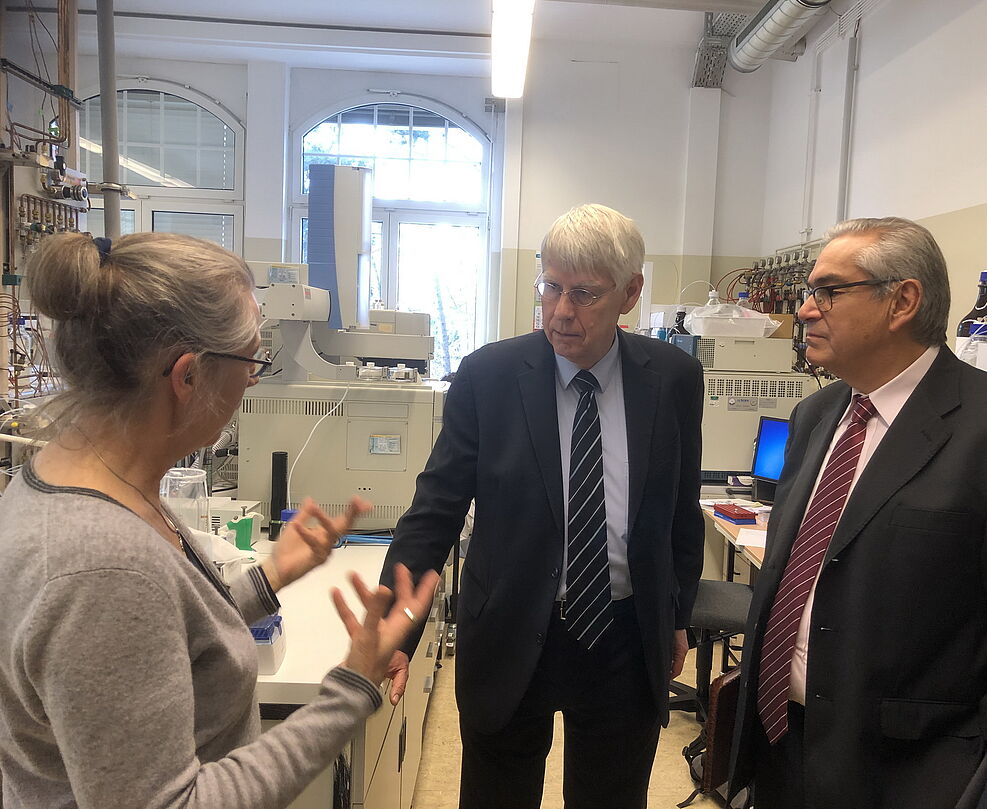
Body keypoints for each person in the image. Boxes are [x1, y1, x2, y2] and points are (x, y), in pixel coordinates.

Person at [0, 232, 439, 809]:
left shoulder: (73, 480)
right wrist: (352, 687)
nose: (254, 382)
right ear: (188, 376)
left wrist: (269, 577)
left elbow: (157, 639)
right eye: (253, 362)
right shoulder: (102, 563)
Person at [380, 203, 705, 809]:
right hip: (508, 627)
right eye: (550, 287)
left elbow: (679, 511)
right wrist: (395, 623)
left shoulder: (674, 378)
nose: (560, 311)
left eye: (585, 294)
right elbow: (436, 510)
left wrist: (677, 614)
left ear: (631, 293)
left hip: (624, 636)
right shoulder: (488, 376)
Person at [728, 217, 987, 809]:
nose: (804, 311)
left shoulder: (978, 428)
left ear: (903, 301)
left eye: (829, 291)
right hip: (780, 744)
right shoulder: (818, 414)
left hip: (909, 772)